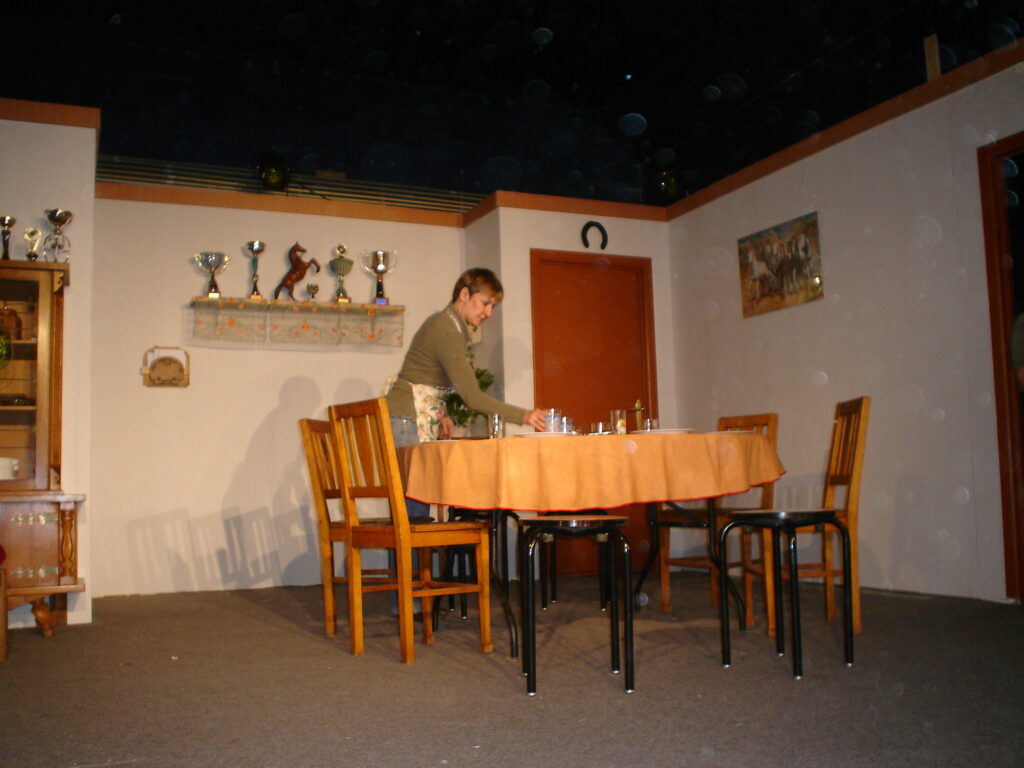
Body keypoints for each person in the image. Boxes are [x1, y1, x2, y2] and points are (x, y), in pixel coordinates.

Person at [385, 267, 545, 518]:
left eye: (493, 306)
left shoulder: (447, 324)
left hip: (408, 415)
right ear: (464, 294)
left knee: (415, 507)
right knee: (413, 513)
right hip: (407, 417)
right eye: (485, 303)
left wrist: (443, 413)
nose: (489, 313)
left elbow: (425, 375)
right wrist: (524, 416)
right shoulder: (446, 328)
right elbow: (472, 396)